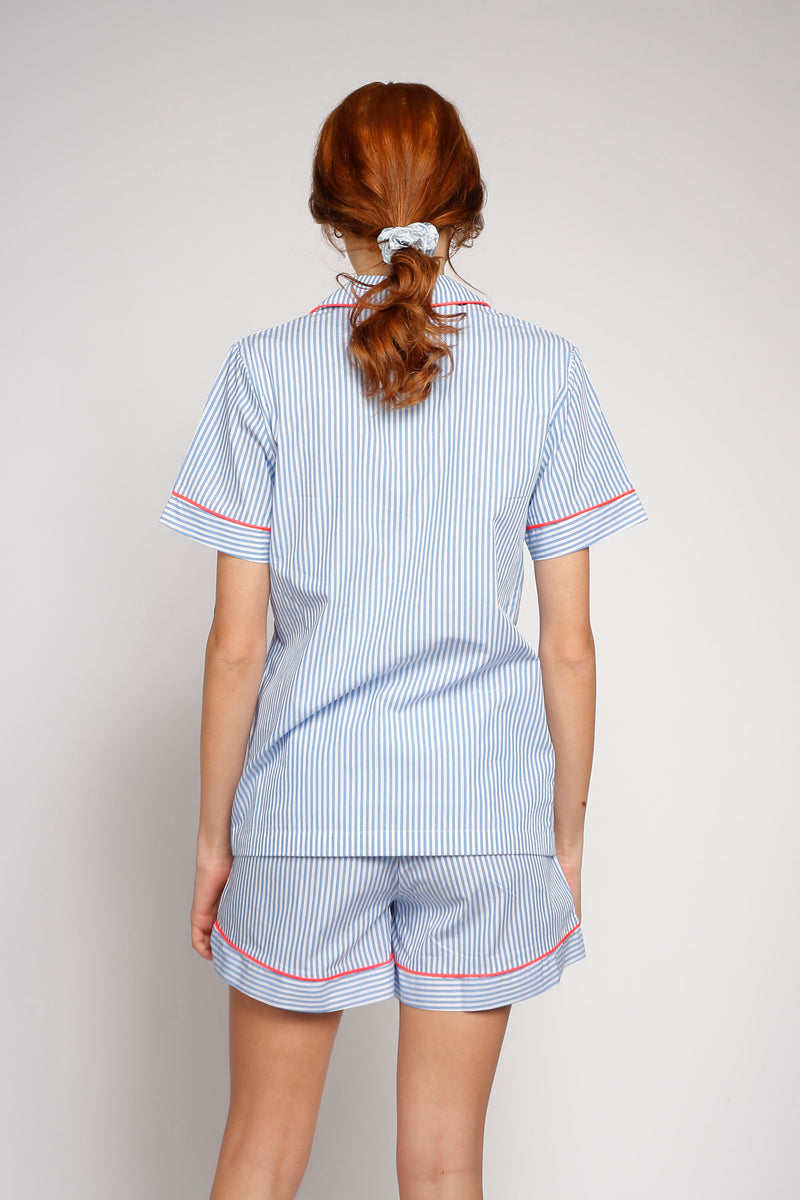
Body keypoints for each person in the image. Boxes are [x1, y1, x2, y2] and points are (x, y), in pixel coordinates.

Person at [159, 80, 648, 1200]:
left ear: (327, 212)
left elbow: (235, 646)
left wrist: (213, 840)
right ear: (465, 209)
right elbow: (569, 646)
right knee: (442, 1170)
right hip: (484, 815)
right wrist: (563, 835)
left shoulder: (263, 370)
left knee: (259, 1155)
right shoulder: (546, 370)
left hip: (305, 810)